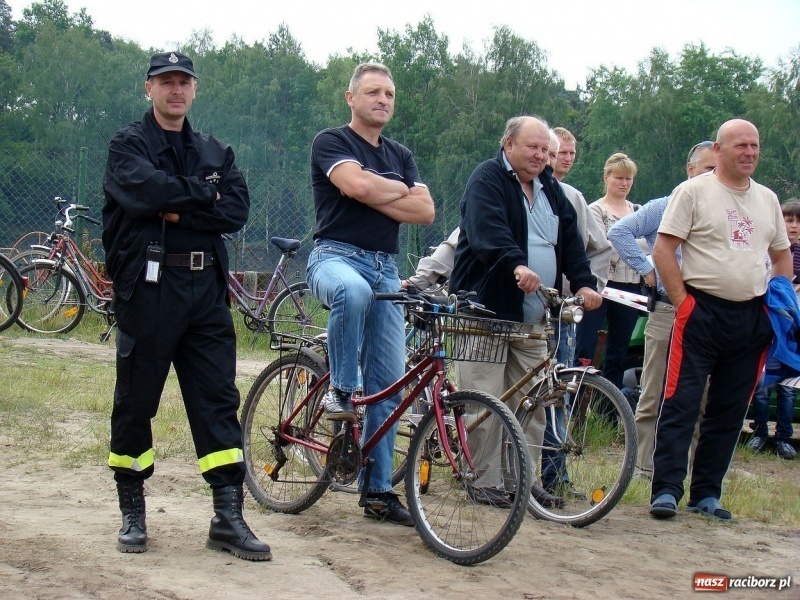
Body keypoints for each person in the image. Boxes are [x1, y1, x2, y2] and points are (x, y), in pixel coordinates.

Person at [102, 52, 271, 560]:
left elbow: (236, 211)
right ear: (148, 89)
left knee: (218, 401)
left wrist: (177, 208)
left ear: (194, 90)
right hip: (149, 290)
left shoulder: (216, 150)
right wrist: (203, 199)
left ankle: (227, 517)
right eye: (165, 82)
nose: (175, 90)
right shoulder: (128, 145)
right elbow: (142, 193)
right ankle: (133, 511)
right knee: (136, 401)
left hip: (206, 293)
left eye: (184, 82)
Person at [450, 115, 602, 508]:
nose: (540, 156)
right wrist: (516, 264)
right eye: (532, 147)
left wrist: (584, 282)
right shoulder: (487, 179)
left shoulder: (549, 187)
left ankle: (522, 481)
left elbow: (570, 239)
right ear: (508, 145)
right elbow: (487, 230)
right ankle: (483, 481)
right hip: (484, 312)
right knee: (486, 398)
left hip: (534, 317)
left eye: (545, 150)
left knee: (533, 403)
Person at [306, 62, 435, 526]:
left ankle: (378, 492)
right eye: (374, 92)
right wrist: (392, 190)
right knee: (352, 291)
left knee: (389, 385)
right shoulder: (332, 141)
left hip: (386, 267)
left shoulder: (400, 153)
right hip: (334, 256)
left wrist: (376, 191)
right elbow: (354, 183)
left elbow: (425, 210)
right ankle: (340, 390)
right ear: (352, 98)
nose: (383, 99)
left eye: (390, 93)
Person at [649, 119, 792, 522]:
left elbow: (781, 255)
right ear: (720, 148)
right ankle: (666, 490)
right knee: (681, 402)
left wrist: (779, 303)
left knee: (730, 409)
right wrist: (683, 303)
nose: (749, 153)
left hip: (751, 318)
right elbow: (663, 250)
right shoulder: (694, 191)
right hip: (700, 311)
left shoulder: (767, 198)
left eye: (755, 146)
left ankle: (706, 494)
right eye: (741, 146)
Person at [607, 140, 717, 479]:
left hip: (710, 313)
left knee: (701, 397)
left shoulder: (723, 214)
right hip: (668, 309)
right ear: (690, 170)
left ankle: (691, 472)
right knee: (653, 390)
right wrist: (648, 268)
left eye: (718, 169)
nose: (713, 175)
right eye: (707, 168)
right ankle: (642, 468)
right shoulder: (666, 206)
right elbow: (619, 231)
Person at [541, 128, 612, 494]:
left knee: (558, 392)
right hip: (518, 310)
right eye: (552, 152)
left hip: (559, 314)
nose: (555, 160)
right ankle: (509, 477)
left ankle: (555, 477)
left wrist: (584, 289)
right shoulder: (504, 190)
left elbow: (600, 249)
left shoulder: (572, 198)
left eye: (563, 153)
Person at [575, 153, 643, 391]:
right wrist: (633, 248)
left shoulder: (638, 211)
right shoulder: (595, 210)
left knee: (619, 349)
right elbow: (602, 247)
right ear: (606, 178)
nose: (624, 183)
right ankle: (577, 405)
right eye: (619, 178)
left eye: (629, 179)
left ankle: (611, 410)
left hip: (631, 285)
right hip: (600, 285)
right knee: (586, 347)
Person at [747, 198, 800, 460]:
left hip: (791, 331)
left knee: (788, 386)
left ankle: (784, 437)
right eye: (788, 219)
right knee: (763, 383)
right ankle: (759, 433)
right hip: (769, 324)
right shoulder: (766, 251)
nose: (792, 225)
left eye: (797, 221)